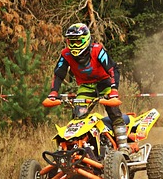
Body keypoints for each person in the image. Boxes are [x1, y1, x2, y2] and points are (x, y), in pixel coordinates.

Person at [48, 22, 130, 153]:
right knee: (78, 116)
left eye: (78, 41)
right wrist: (53, 92)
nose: (74, 45)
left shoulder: (97, 49)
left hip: (104, 83)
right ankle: (80, 149)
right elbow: (58, 74)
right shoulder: (66, 54)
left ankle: (123, 146)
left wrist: (114, 89)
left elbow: (112, 68)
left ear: (85, 39)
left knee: (113, 111)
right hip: (86, 86)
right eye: (71, 41)